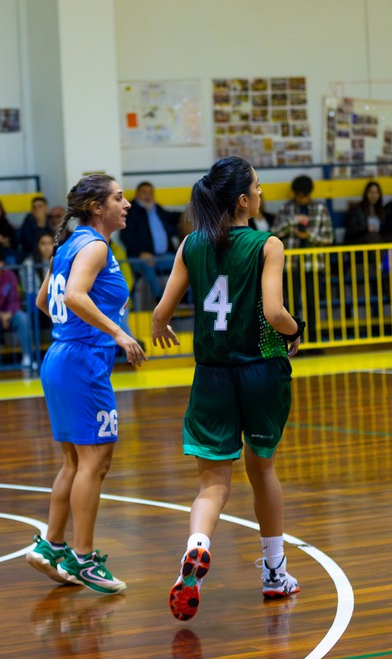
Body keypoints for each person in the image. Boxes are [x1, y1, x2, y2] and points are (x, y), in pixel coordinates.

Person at [149, 156, 303, 622]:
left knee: (212, 484)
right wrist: (295, 333)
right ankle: (274, 572)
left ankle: (197, 547)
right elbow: (275, 314)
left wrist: (160, 327)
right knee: (263, 471)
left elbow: (161, 312)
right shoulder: (267, 244)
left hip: (211, 375)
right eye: (257, 187)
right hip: (260, 370)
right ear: (242, 200)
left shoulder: (191, 245)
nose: (262, 194)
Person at [26, 174, 146, 595]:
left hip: (61, 357)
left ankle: (51, 545)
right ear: (97, 207)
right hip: (82, 362)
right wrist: (117, 333)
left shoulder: (69, 245)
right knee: (95, 463)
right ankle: (83, 559)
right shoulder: (94, 246)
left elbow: (45, 302)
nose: (126, 203)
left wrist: (76, 331)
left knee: (75, 463)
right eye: (118, 197)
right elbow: (74, 296)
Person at [273, 175, 333, 322]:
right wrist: (293, 221)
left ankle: (313, 339)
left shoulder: (320, 208)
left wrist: (308, 236)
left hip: (313, 264)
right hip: (290, 264)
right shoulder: (286, 208)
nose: (301, 199)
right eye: (298, 195)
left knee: (312, 303)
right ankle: (294, 337)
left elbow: (328, 238)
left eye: (304, 195)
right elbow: (274, 232)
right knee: (291, 304)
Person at [120, 181, 178, 302]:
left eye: (150, 193)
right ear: (137, 194)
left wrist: (190, 210)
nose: (148, 195)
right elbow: (126, 236)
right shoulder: (131, 211)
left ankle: (187, 299)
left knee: (183, 262)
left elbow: (172, 217)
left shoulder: (157, 209)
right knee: (147, 264)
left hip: (162, 256)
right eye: (144, 192)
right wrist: (141, 253)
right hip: (139, 257)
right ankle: (160, 300)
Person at [343, 181, 385, 245]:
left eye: (376, 193)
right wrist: (366, 229)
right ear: (366, 193)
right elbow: (351, 229)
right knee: (373, 237)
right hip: (358, 242)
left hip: (377, 241)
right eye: (371, 192)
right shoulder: (356, 209)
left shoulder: (381, 210)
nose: (373, 196)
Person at [18, 195, 49, 262]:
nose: (37, 209)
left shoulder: (51, 221)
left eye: (40, 206)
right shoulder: (28, 222)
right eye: (34, 207)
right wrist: (39, 224)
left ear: (46, 208)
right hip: (31, 256)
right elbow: (29, 244)